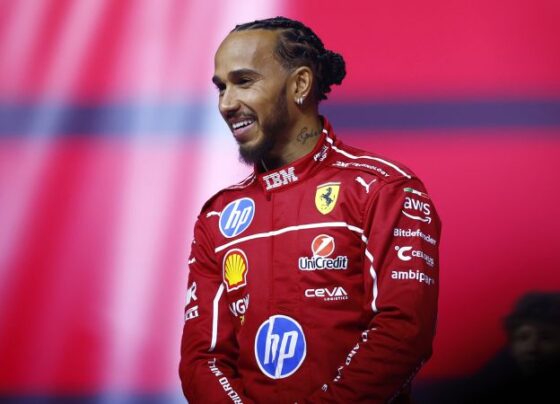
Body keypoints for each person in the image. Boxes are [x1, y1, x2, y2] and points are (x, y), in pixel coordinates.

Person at [179, 16, 441, 403]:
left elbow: (403, 332)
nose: (227, 104)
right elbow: (203, 358)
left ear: (300, 84)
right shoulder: (218, 216)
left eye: (244, 81)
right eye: (221, 87)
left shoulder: (384, 189)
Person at [459, 291, 560, 404]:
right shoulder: (488, 383)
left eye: (546, 338)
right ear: (512, 345)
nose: (532, 348)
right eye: (523, 337)